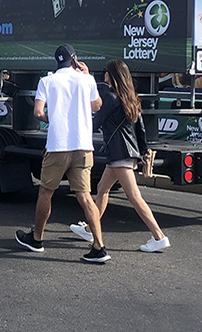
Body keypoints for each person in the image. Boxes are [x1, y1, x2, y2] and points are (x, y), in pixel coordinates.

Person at [16, 44, 109, 263]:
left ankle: (37, 239)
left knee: (46, 192)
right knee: (85, 196)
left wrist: (52, 118)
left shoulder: (47, 81)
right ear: (74, 59)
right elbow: (97, 106)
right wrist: (87, 75)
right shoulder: (86, 80)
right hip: (83, 145)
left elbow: (38, 112)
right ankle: (99, 246)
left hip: (58, 145)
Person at [70, 59, 169, 252]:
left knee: (134, 197)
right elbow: (140, 128)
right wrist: (143, 151)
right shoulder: (130, 96)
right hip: (124, 152)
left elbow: (96, 122)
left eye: (106, 71)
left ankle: (159, 236)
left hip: (119, 153)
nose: (104, 74)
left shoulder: (111, 97)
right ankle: (90, 229)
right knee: (102, 189)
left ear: (111, 75)